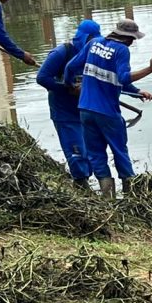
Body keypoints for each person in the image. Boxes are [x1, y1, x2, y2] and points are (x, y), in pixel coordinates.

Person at [68, 18, 152, 198]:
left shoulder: (94, 43)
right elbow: (124, 77)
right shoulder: (122, 50)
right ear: (127, 38)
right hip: (107, 113)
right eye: (133, 38)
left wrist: (71, 85)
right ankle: (131, 195)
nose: (133, 42)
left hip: (85, 110)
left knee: (96, 153)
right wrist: (149, 69)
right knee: (119, 151)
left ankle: (108, 198)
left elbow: (72, 66)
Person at [36, 19, 102, 188]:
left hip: (84, 110)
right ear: (83, 37)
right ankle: (82, 186)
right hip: (64, 111)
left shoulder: (93, 55)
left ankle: (87, 186)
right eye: (89, 41)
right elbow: (42, 78)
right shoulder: (61, 53)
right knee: (76, 151)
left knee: (89, 151)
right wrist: (68, 88)